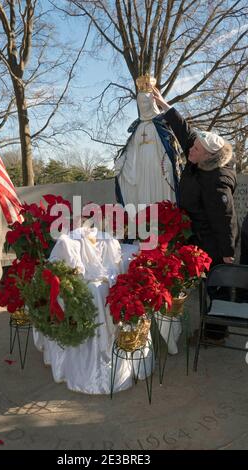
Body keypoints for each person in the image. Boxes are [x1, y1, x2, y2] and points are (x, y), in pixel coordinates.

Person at [152, 87, 239, 342]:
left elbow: (225, 218)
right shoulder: (200, 155)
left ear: (208, 156)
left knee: (215, 287)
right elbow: (185, 132)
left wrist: (228, 252)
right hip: (197, 235)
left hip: (212, 242)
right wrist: (165, 106)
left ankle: (215, 334)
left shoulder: (216, 181)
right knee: (203, 287)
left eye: (196, 149)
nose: (190, 150)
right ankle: (211, 328)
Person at [115, 74, 183, 208]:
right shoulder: (137, 127)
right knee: (143, 201)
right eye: (140, 103)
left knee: (159, 198)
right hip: (141, 171)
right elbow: (131, 150)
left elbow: (171, 150)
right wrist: (122, 161)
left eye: (146, 102)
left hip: (159, 171)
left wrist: (169, 165)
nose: (143, 105)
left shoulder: (162, 125)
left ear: (152, 102)